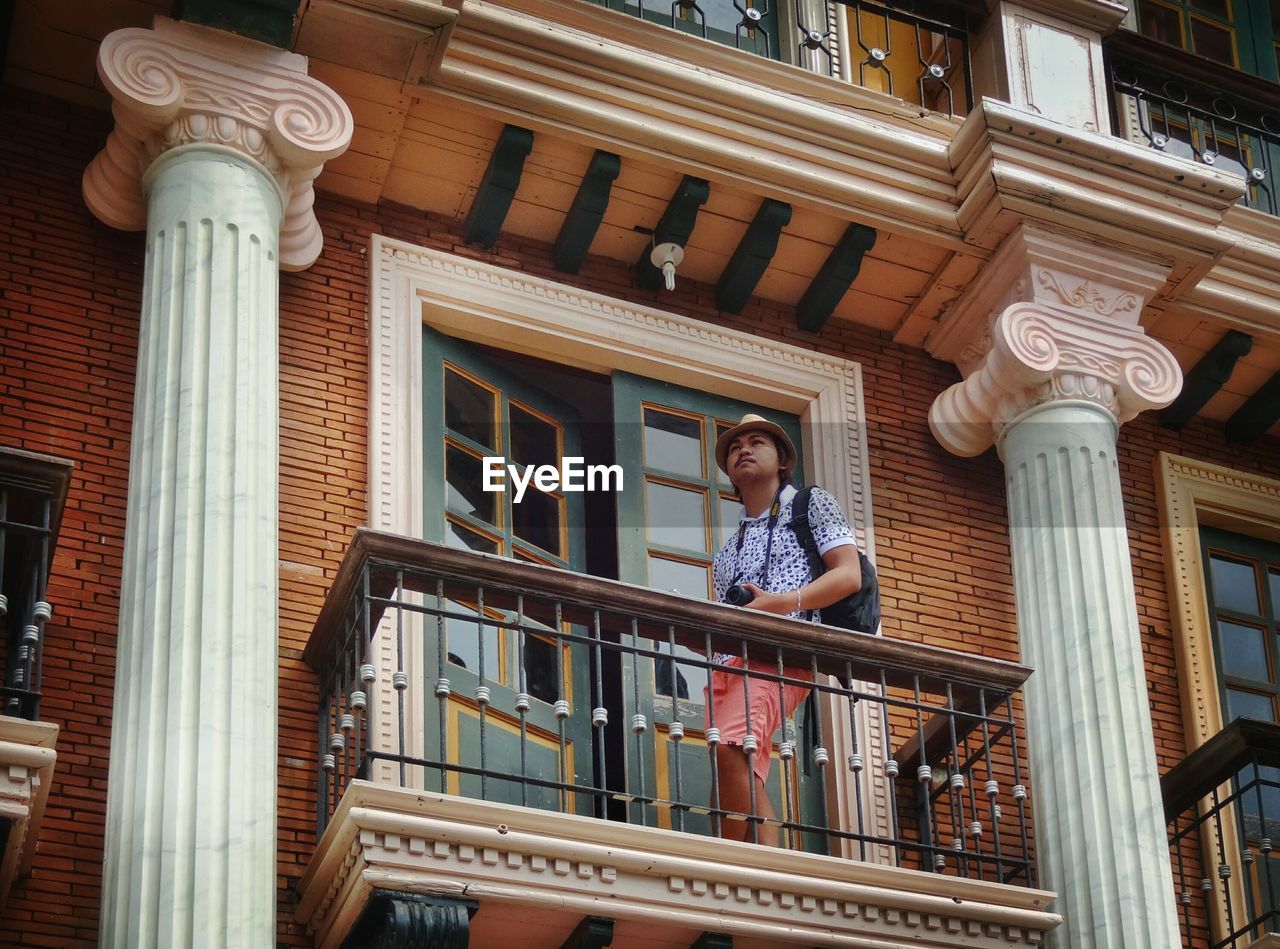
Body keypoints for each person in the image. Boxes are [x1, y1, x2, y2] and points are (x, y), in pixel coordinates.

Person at [707, 414, 862, 846]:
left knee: (730, 748)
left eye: (757, 442)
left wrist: (783, 602)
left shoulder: (811, 504)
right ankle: (747, 871)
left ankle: (750, 872)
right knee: (732, 775)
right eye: (735, 446)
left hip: (782, 653)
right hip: (728, 665)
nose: (744, 449)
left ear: (781, 461)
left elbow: (849, 575)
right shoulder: (728, 549)